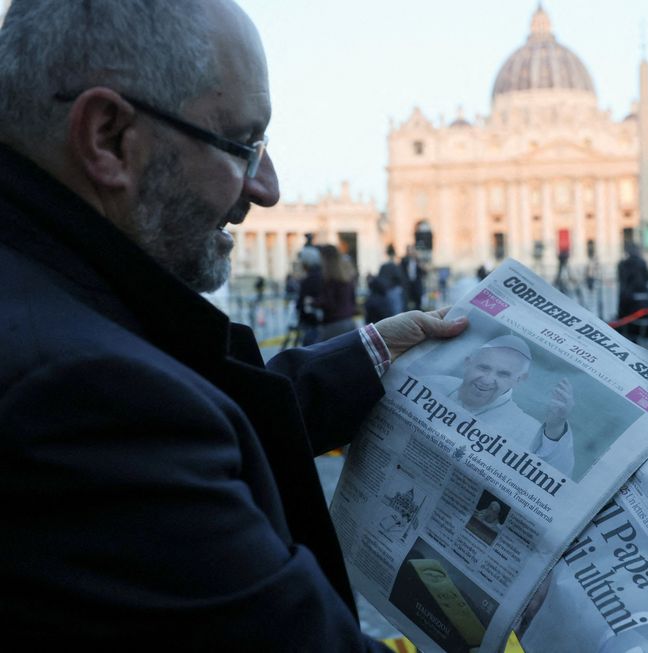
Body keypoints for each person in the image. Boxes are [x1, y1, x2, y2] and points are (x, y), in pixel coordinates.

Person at [0, 1, 468, 648]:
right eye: (243, 143)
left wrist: (369, 353)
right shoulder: (82, 396)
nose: (268, 188)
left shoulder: (47, 287)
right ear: (108, 138)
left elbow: (190, 414)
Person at [424, 335, 575, 476]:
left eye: (503, 374)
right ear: (468, 362)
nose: (487, 380)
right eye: (483, 368)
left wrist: (555, 428)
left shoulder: (526, 429)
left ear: (519, 379)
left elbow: (557, 475)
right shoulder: (432, 383)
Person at [315, 244, 358, 341]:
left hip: (334, 323)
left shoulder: (330, 280)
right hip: (349, 321)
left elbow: (329, 303)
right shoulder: (347, 277)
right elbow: (353, 300)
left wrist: (314, 302)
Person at [616, 242, 648, 319]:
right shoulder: (642, 262)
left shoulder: (622, 264)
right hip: (641, 293)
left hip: (628, 295)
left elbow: (622, 280)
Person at [377, 243, 406, 315]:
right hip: (393, 290)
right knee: (396, 312)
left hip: (387, 290)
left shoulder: (385, 266)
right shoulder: (394, 266)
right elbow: (399, 278)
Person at [400, 244, 426, 310]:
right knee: (407, 302)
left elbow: (424, 272)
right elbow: (401, 271)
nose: (411, 252)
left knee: (418, 302)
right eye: (409, 250)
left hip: (416, 284)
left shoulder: (418, 260)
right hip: (407, 284)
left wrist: (419, 263)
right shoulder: (404, 260)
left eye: (412, 250)